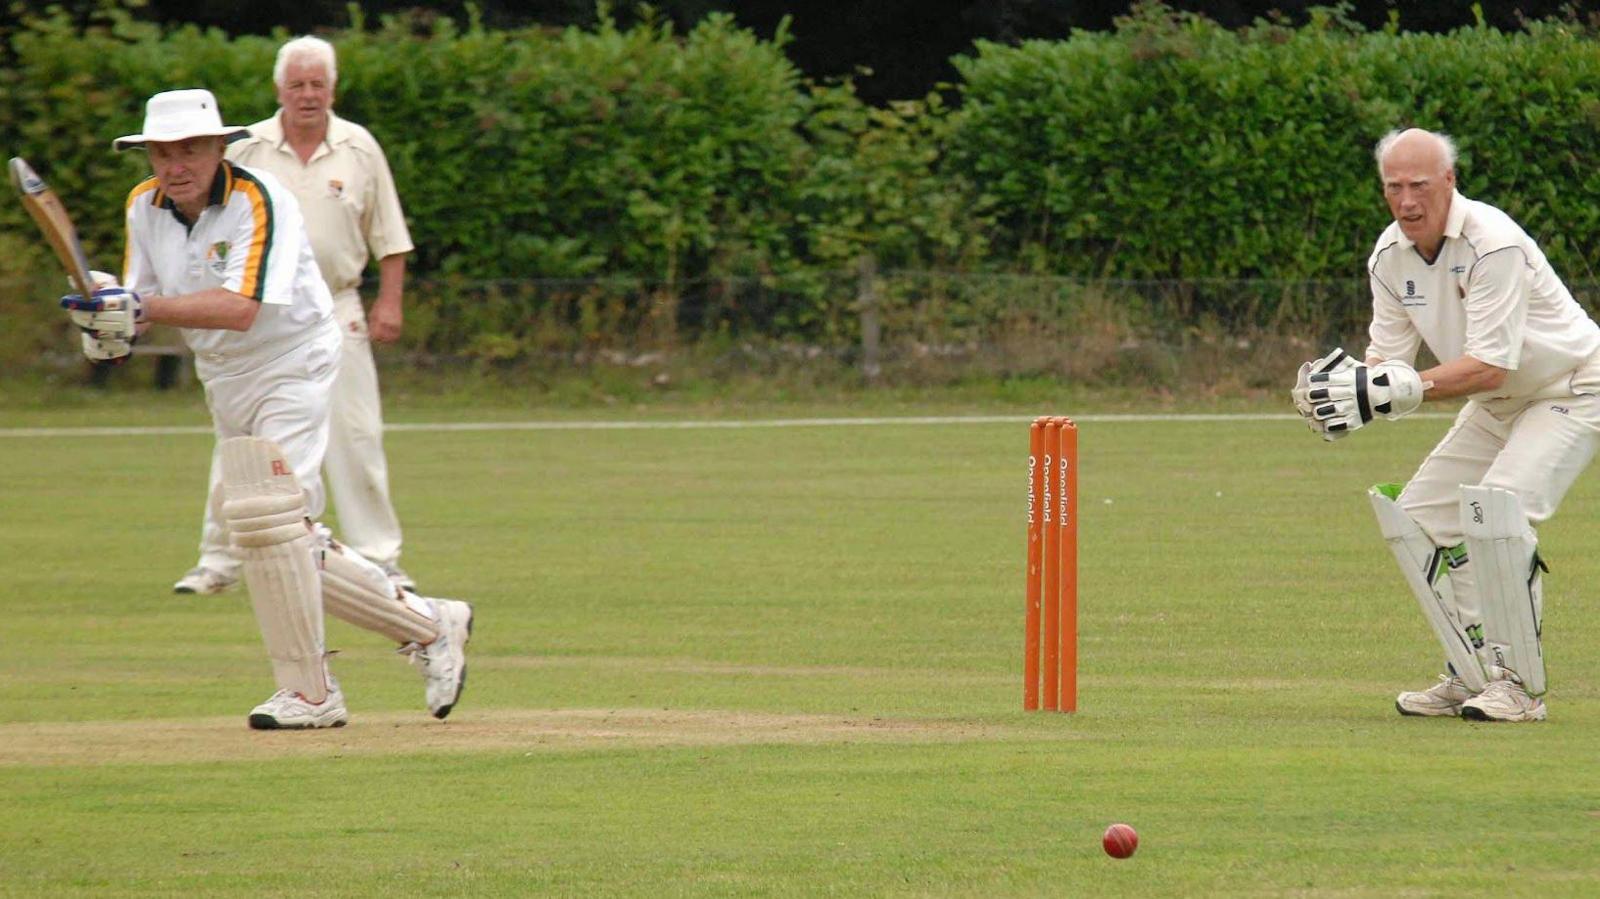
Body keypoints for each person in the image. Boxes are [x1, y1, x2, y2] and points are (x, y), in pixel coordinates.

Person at [63, 88, 472, 728]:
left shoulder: (260, 198)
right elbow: (139, 308)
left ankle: (311, 692)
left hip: (293, 362)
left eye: (190, 150)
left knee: (271, 518)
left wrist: (140, 309)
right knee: (272, 533)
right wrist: (107, 320)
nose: (176, 165)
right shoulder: (144, 206)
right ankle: (429, 623)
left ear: (218, 148)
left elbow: (241, 307)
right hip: (223, 373)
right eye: (162, 152)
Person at [1292, 127, 1600, 723]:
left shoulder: (1493, 244)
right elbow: (1389, 361)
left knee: (1498, 509)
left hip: (1572, 387)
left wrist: (1408, 387)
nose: (1407, 201)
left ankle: (1518, 687)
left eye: (1420, 186)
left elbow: (1489, 366)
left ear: (1449, 183)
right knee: (1418, 518)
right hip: (1498, 404)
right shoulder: (1389, 255)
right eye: (1394, 188)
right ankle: (1469, 670)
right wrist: (1362, 389)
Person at [174, 35, 417, 595]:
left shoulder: (358, 146)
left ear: (332, 88)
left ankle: (379, 557)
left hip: (335, 304)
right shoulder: (246, 149)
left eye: (318, 84)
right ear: (279, 89)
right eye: (297, 85)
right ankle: (220, 559)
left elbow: (391, 235)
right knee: (242, 438)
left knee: (356, 434)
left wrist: (390, 301)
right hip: (261, 310)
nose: (308, 95)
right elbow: (210, 229)